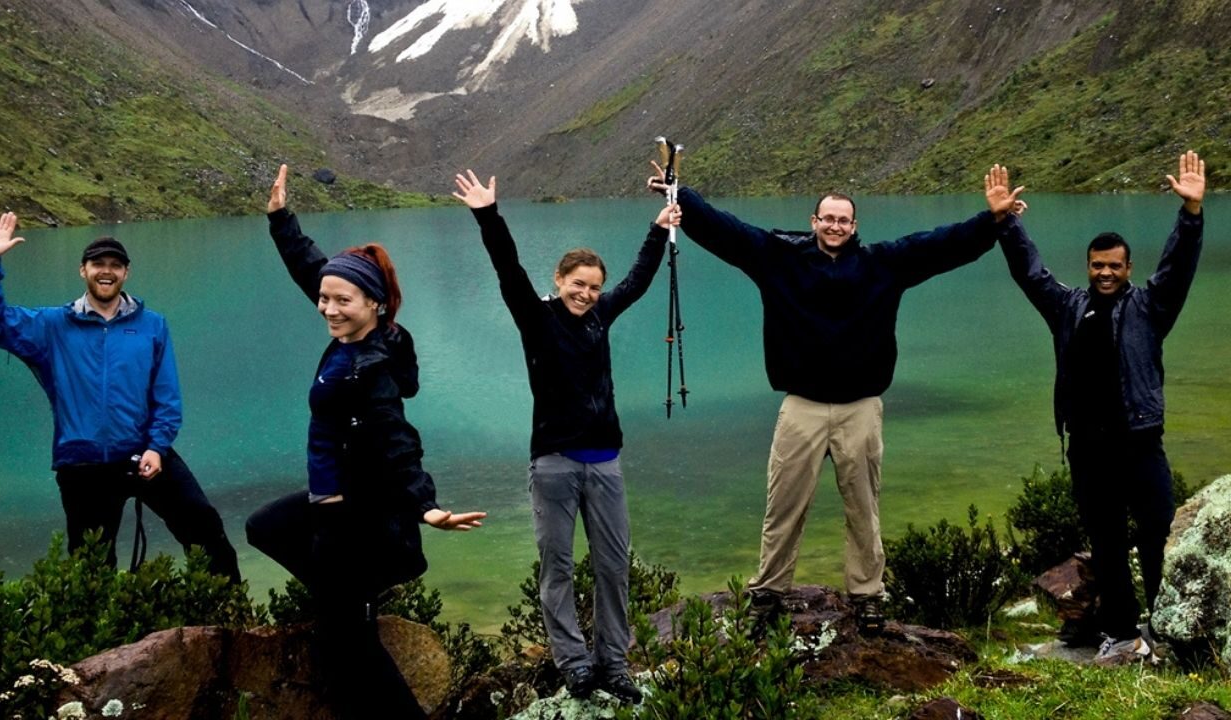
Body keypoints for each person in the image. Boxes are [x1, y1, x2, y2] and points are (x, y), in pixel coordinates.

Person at [648, 163, 1023, 632]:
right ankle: (768, 591)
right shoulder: (778, 258)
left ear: (854, 226)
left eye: (844, 220)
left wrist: (990, 220)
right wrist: (682, 193)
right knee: (783, 503)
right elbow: (728, 232)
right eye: (827, 218)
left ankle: (867, 594)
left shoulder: (883, 264)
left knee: (863, 506)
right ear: (814, 221)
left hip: (860, 406)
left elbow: (939, 246)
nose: (835, 226)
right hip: (800, 405)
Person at [247, 164, 485, 720]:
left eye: (341, 301)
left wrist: (426, 506)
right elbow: (318, 273)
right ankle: (354, 596)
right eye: (325, 299)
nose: (328, 308)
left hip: (357, 514)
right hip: (332, 500)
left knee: (349, 648)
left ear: (373, 304)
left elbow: (397, 440)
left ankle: (356, 608)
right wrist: (281, 220)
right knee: (264, 527)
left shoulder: (370, 366)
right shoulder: (356, 324)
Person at [453, 169, 677, 703]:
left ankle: (613, 664)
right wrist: (488, 214)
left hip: (605, 462)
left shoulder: (602, 314)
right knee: (556, 567)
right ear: (559, 281)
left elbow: (640, 280)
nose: (587, 293)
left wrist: (658, 225)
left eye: (594, 286)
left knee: (612, 566)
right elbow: (508, 270)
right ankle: (574, 665)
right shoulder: (537, 318)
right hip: (553, 463)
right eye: (578, 284)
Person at [996, 151, 1205, 660]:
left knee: (1157, 529)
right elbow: (1031, 274)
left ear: (1128, 267)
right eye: (1097, 266)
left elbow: (1177, 270)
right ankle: (1119, 631)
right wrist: (1005, 222)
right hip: (1089, 449)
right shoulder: (1068, 308)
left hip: (1140, 439)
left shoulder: (1150, 307)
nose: (1105, 273)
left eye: (1114, 266)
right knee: (1108, 542)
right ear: (1088, 267)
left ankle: (1162, 625)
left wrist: (1191, 215)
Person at [0, 213, 240, 580]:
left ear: (126, 273)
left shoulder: (152, 325)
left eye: (115, 265)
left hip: (145, 453)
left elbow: (166, 396)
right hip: (83, 464)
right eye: (98, 264)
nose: (106, 271)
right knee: (91, 565)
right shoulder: (51, 326)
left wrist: (157, 446)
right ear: (83, 271)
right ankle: (103, 636)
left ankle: (231, 613)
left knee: (203, 527)